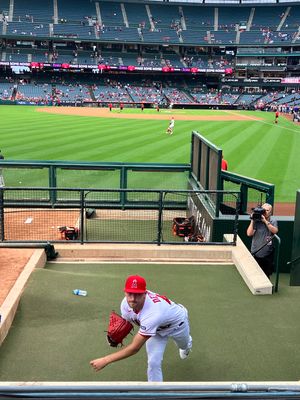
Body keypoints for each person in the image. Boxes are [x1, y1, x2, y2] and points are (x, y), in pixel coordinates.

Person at [90, 275, 192, 382]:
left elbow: (135, 348)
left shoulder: (153, 313)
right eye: (130, 294)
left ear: (145, 293)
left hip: (177, 325)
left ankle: (187, 344)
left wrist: (106, 360)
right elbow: (125, 324)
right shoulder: (125, 304)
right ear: (125, 292)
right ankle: (155, 392)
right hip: (156, 331)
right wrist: (114, 336)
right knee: (153, 362)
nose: (133, 299)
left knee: (184, 345)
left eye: (137, 294)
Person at [247, 203, 278, 278]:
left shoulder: (273, 220)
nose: (265, 212)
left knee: (266, 274)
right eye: (264, 210)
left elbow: (275, 231)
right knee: (255, 274)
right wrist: (252, 220)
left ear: (270, 212)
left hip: (267, 254)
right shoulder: (256, 220)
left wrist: (265, 221)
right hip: (255, 252)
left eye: (267, 210)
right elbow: (249, 233)